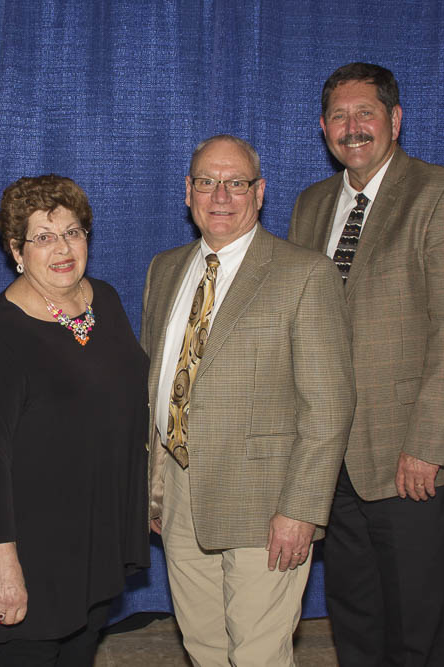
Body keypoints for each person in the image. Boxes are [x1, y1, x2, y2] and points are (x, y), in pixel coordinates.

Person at [287, 62, 444, 666]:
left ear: (395, 119)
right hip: (335, 461)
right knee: (355, 619)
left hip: (412, 460)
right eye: (339, 117)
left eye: (366, 113)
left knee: (415, 631)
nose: (353, 128)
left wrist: (430, 443)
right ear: (323, 127)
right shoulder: (311, 204)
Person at [142, 134, 356, 666]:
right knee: (203, 644)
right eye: (207, 183)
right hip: (180, 493)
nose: (221, 196)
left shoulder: (304, 274)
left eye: (235, 183)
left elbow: (329, 407)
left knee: (258, 653)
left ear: (259, 193)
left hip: (267, 503)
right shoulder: (164, 269)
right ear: (187, 192)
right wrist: (153, 485)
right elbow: (156, 385)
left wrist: (301, 510)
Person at [0, 174, 149, 666]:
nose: (62, 248)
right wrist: (3, 567)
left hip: (93, 538)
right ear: (16, 251)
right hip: (31, 552)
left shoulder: (103, 301)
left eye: (73, 232)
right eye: (43, 236)